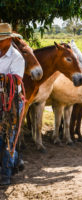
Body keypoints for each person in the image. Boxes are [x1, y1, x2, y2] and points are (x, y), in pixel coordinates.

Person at [0, 23, 25, 185]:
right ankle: (16, 161)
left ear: (9, 39)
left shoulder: (17, 58)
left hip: (11, 104)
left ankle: (5, 176)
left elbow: (16, 81)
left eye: (1, 39)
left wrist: (2, 78)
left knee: (8, 137)